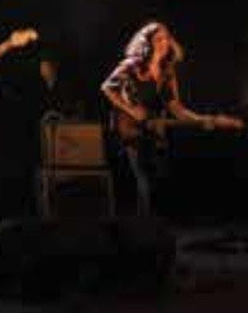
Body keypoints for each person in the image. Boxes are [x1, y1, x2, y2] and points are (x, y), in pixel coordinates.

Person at [101, 21, 239, 216]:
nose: (164, 43)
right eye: (158, 39)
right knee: (144, 177)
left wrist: (204, 120)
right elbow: (107, 87)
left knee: (158, 177)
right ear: (146, 44)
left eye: (166, 38)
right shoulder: (132, 65)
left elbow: (176, 108)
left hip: (153, 127)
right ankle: (146, 224)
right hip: (130, 128)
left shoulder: (167, 72)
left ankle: (152, 222)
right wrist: (131, 110)